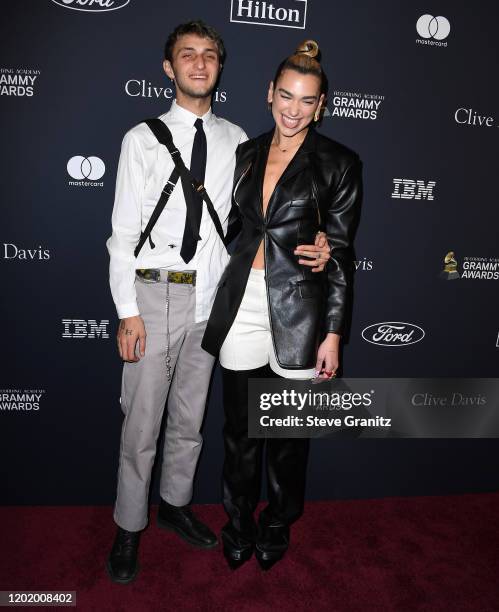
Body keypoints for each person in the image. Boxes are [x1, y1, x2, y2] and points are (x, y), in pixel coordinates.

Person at [105, 22, 331, 584]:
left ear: (220, 67)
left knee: (191, 421)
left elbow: (273, 213)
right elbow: (120, 234)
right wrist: (126, 311)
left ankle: (176, 507)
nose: (199, 64)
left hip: (216, 300)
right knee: (141, 425)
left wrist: (321, 240)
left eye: (209, 55)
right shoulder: (140, 139)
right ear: (169, 67)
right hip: (153, 295)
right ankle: (129, 526)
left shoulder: (241, 142)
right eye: (187, 55)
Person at [202, 40, 362, 570]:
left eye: (306, 100)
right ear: (269, 93)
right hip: (242, 306)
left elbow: (340, 254)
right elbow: (236, 227)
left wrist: (333, 332)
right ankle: (240, 521)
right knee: (240, 433)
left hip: (299, 312)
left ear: (321, 105)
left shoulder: (339, 162)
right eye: (285, 96)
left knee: (289, 438)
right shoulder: (246, 153)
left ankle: (277, 521)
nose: (293, 109)